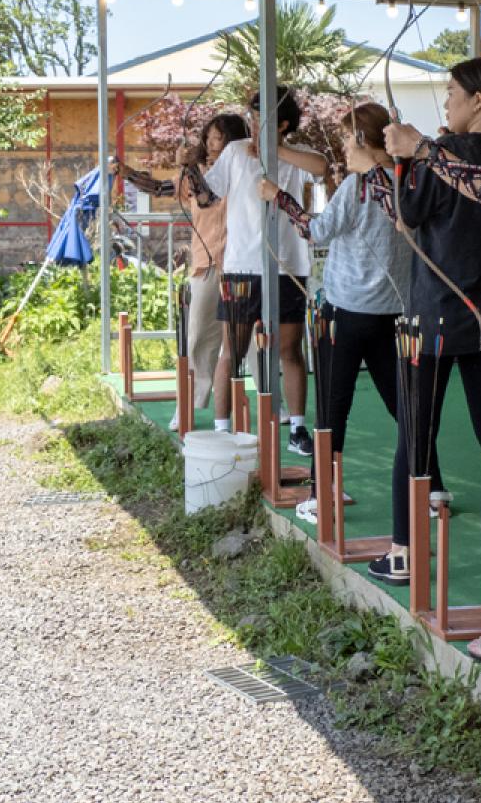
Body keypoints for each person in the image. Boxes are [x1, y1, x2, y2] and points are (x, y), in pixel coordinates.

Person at [383, 60, 481, 649]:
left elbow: (408, 215)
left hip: (436, 309)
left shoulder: (450, 151)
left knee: (416, 432)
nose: (448, 102)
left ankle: (404, 552)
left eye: (454, 94)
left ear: (479, 100)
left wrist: (404, 159)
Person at [259, 103, 433, 523]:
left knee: (334, 407)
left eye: (344, 138)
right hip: (393, 313)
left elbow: (315, 230)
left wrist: (278, 197)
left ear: (361, 140)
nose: (341, 147)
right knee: (403, 405)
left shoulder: (357, 187)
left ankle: (322, 496)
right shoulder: (406, 182)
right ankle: (431, 490)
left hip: (346, 313)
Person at [198, 86, 328, 454]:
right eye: (254, 116)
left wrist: (276, 151)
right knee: (232, 350)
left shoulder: (296, 156)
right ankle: (223, 430)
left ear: (284, 124)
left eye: (265, 118)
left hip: (287, 264)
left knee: (289, 349)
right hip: (241, 264)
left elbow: (322, 168)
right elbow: (208, 194)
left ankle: (298, 428)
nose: (255, 124)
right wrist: (191, 165)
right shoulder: (236, 151)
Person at [119, 112, 247, 431]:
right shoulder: (199, 171)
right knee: (198, 337)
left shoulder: (244, 168)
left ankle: (275, 402)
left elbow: (209, 196)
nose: (212, 143)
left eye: (219, 138)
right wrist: (127, 173)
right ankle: (188, 404)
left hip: (243, 260)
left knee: (254, 338)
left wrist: (189, 166)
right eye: (210, 137)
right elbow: (165, 189)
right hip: (207, 261)